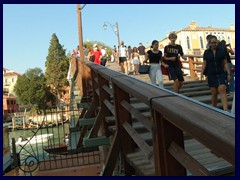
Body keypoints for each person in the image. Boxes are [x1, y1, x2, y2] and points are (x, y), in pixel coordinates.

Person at [201, 35, 231, 111]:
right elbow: (204, 63)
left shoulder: (221, 51)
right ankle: (214, 108)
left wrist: (228, 73)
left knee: (222, 88)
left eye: (215, 42)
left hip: (220, 73)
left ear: (217, 42)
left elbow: (225, 63)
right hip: (211, 74)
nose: (214, 44)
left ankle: (226, 109)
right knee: (214, 92)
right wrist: (201, 73)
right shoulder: (206, 52)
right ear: (209, 43)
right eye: (212, 43)